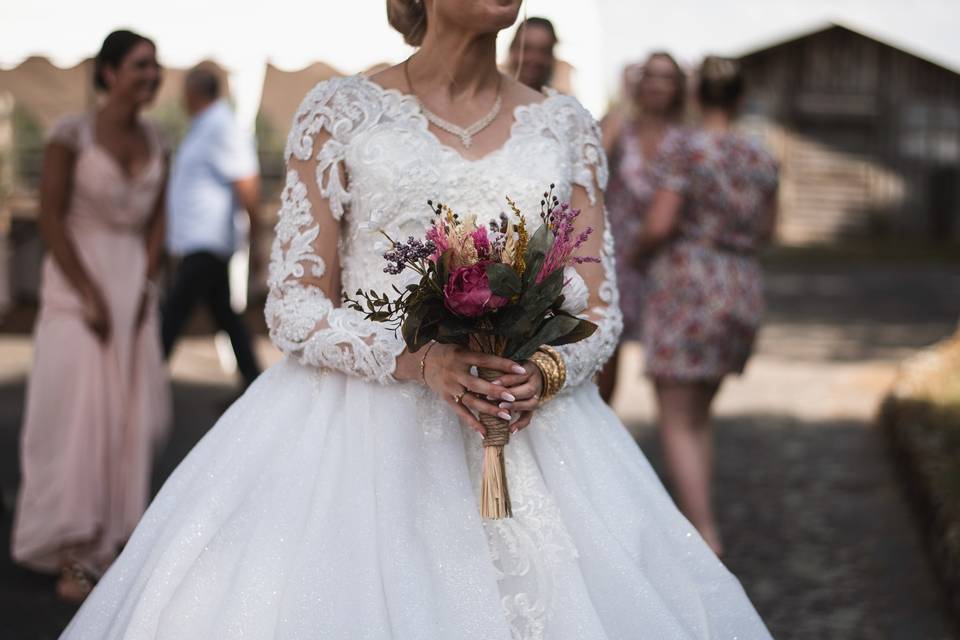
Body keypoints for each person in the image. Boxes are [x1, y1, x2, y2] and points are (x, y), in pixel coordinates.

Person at [59, 4, 772, 638]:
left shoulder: (566, 125)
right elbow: (294, 302)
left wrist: (547, 367)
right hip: (357, 436)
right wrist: (418, 360)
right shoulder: (339, 111)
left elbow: (599, 297)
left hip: (538, 432)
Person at [11, 29, 171, 604]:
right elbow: (51, 219)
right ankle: (75, 550)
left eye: (155, 66)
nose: (151, 75)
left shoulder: (158, 139)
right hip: (77, 285)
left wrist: (145, 284)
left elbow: (157, 220)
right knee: (77, 416)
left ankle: (118, 536)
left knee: (135, 417)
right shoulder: (69, 136)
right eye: (139, 65)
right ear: (107, 73)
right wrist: (93, 295)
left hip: (132, 285)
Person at [634, 56, 779, 556]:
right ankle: (700, 523)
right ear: (740, 99)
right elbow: (767, 231)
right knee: (698, 417)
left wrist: (635, 255)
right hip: (739, 283)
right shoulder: (762, 156)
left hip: (687, 283)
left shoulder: (685, 146)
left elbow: (659, 223)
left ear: (696, 97)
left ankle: (703, 534)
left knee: (677, 417)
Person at [161, 65, 262, 387]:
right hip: (200, 240)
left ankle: (144, 381)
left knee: (173, 313)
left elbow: (246, 182)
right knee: (224, 315)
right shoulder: (206, 126)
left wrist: (255, 237)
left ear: (193, 93)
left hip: (208, 241)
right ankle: (252, 382)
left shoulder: (221, 127)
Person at [598, 52, 687, 402]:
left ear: (678, 86)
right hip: (617, 261)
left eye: (667, 77)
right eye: (650, 76)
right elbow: (592, 161)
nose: (657, 85)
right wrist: (624, 100)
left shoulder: (685, 138)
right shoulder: (623, 128)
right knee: (605, 361)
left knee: (669, 374)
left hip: (666, 263)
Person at [505, 16, 557, 92]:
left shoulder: (563, 102)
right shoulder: (489, 99)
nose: (534, 58)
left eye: (543, 51)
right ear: (512, 49)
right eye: (525, 49)